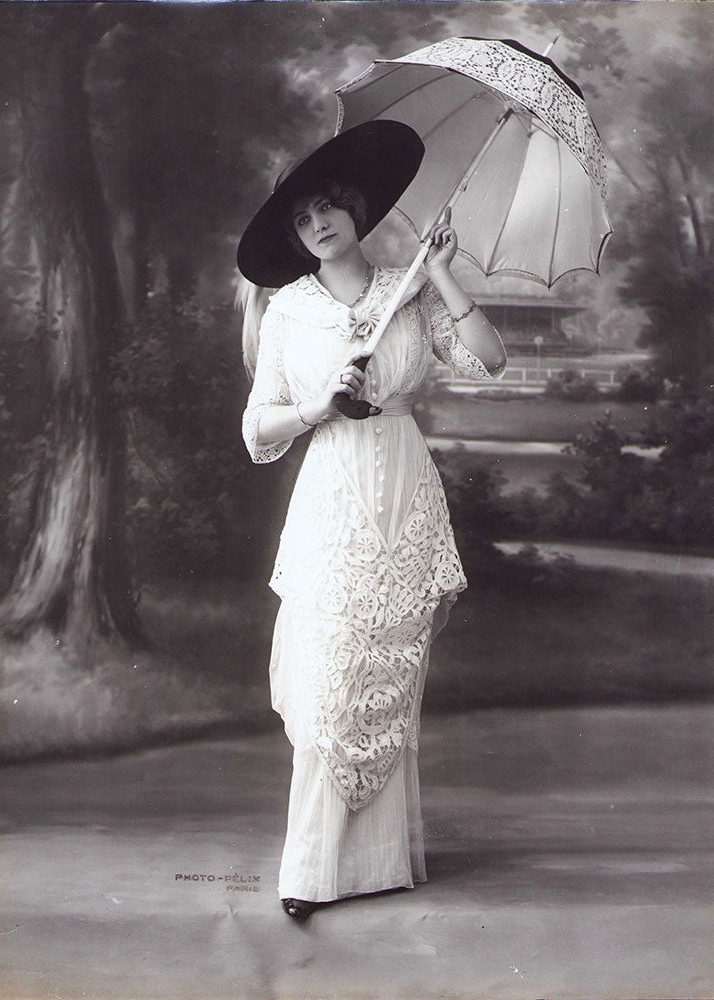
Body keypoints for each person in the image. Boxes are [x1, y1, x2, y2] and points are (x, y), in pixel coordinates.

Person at [236, 121, 506, 920]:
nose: (319, 224)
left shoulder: (407, 289)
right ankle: (312, 872)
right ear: (295, 237)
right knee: (329, 680)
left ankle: (378, 863)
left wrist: (445, 276)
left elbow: (490, 360)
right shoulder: (290, 310)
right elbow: (257, 431)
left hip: (404, 491)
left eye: (328, 208)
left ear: (355, 210)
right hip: (334, 493)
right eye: (302, 219)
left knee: (390, 672)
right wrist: (321, 404)